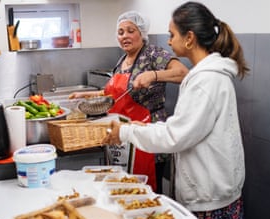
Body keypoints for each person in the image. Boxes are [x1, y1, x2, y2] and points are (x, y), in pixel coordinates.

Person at [103, 2, 249, 219]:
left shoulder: (206, 81)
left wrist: (126, 132)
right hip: (212, 192)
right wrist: (142, 128)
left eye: (172, 35)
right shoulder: (206, 76)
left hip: (210, 200)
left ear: (189, 38)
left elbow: (175, 136)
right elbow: (186, 127)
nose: (169, 41)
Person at [70, 11, 188, 194]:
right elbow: (116, 93)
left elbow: (183, 73)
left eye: (130, 31)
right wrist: (89, 95)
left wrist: (154, 75)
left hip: (148, 132)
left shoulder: (153, 54)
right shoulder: (121, 61)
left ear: (142, 33)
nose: (124, 36)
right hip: (123, 136)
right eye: (120, 32)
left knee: (147, 191)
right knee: (124, 189)